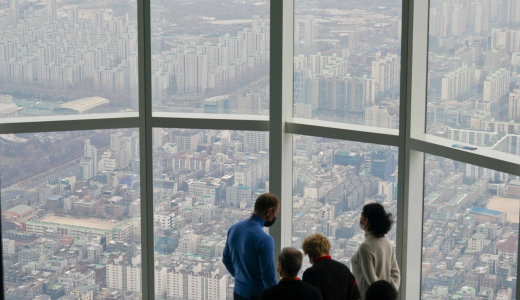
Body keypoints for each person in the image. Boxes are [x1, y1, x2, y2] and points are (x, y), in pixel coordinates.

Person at [223, 193, 280, 300]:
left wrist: (241, 278)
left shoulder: (234, 228)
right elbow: (268, 277)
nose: (275, 216)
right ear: (269, 211)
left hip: (237, 292)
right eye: (275, 213)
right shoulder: (265, 240)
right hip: (255, 295)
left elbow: (226, 259)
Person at [351, 203, 400, 299]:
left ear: (366, 220)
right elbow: (396, 274)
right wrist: (389, 293)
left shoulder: (366, 247)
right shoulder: (386, 241)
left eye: (362, 217)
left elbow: (373, 282)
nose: (360, 220)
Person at [301, 233, 360, 300]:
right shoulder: (344, 269)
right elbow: (356, 296)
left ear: (310, 254)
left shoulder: (309, 274)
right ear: (328, 249)